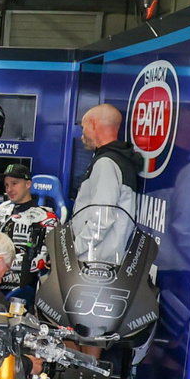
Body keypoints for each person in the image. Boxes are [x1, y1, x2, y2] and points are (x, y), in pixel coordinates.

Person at [73, 103, 142, 264]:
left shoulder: (106, 163)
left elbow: (101, 219)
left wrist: (74, 249)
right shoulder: (120, 160)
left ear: (93, 123)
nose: (82, 135)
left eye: (84, 127)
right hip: (105, 260)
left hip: (94, 262)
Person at [0, 162, 58, 300]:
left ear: (28, 184)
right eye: (7, 185)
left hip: (23, 280)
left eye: (14, 183)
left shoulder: (46, 218)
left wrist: (5, 266)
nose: (9, 189)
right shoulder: (2, 211)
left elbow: (44, 260)